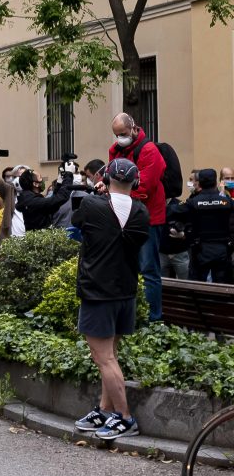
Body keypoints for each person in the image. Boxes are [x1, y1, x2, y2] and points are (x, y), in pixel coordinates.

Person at [72, 158, 149, 440]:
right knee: (111, 355)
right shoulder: (141, 211)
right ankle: (105, 409)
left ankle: (125, 417)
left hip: (97, 290)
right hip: (125, 291)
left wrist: (96, 192)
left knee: (102, 357)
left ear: (105, 177)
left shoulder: (93, 205)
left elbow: (76, 220)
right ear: (135, 182)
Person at [109, 113, 166, 321]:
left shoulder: (149, 150)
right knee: (129, 269)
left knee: (148, 269)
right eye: (116, 135)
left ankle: (153, 318)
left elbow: (145, 187)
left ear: (134, 128)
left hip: (149, 218)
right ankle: (134, 316)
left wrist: (115, 192)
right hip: (125, 218)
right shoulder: (115, 151)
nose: (120, 139)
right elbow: (112, 179)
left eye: (123, 134)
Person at [169, 168, 233, 283]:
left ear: (200, 183)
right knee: (224, 285)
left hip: (200, 250)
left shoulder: (193, 202)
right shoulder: (227, 202)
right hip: (222, 250)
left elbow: (172, 211)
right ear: (216, 182)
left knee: (197, 285)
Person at [16, 164, 74, 231]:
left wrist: (59, 182)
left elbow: (53, 205)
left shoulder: (30, 198)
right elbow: (61, 197)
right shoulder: (32, 201)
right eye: (40, 178)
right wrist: (69, 175)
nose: (43, 180)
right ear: (35, 184)